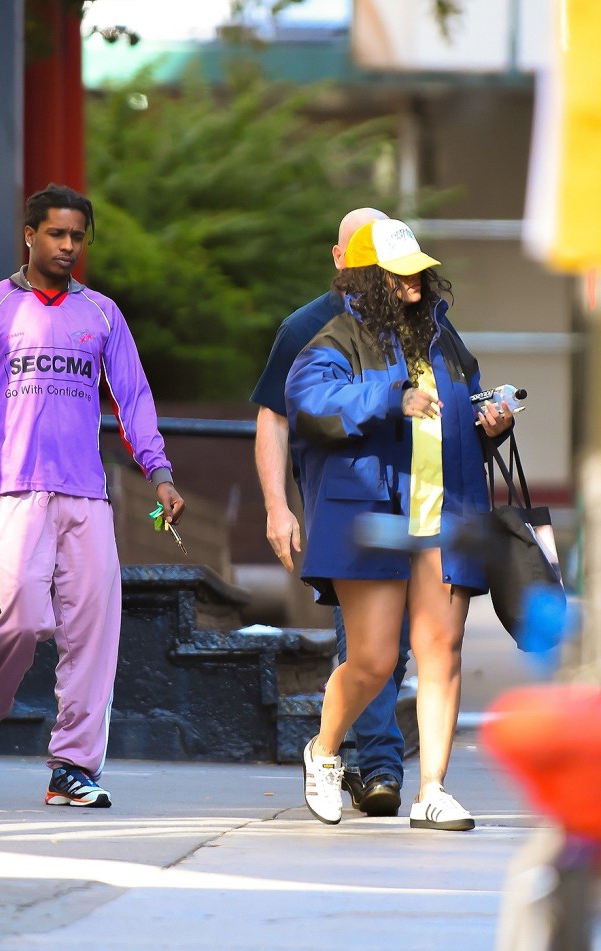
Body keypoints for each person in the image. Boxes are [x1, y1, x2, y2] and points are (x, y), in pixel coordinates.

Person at [0, 183, 185, 809]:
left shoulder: (102, 315)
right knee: (26, 623)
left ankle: (73, 767)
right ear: (30, 235)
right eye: (57, 234)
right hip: (12, 491)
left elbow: (135, 398)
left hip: (86, 496)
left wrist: (160, 471)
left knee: (95, 631)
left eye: (77, 237)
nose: (68, 246)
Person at [284, 218, 513, 831]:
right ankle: (325, 751)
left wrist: (490, 418)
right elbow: (310, 406)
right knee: (374, 660)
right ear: (365, 277)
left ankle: (433, 789)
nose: (414, 284)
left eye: (418, 272)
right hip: (374, 515)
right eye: (399, 274)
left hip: (446, 514)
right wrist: (392, 396)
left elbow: (463, 403)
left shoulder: (443, 338)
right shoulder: (331, 339)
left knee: (442, 650)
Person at [251, 208, 410, 818]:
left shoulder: (415, 319)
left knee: (396, 641)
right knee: (365, 635)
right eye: (359, 257)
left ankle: (354, 750)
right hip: (338, 499)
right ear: (338, 258)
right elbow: (273, 418)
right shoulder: (308, 326)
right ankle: (378, 764)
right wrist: (277, 508)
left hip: (408, 498)